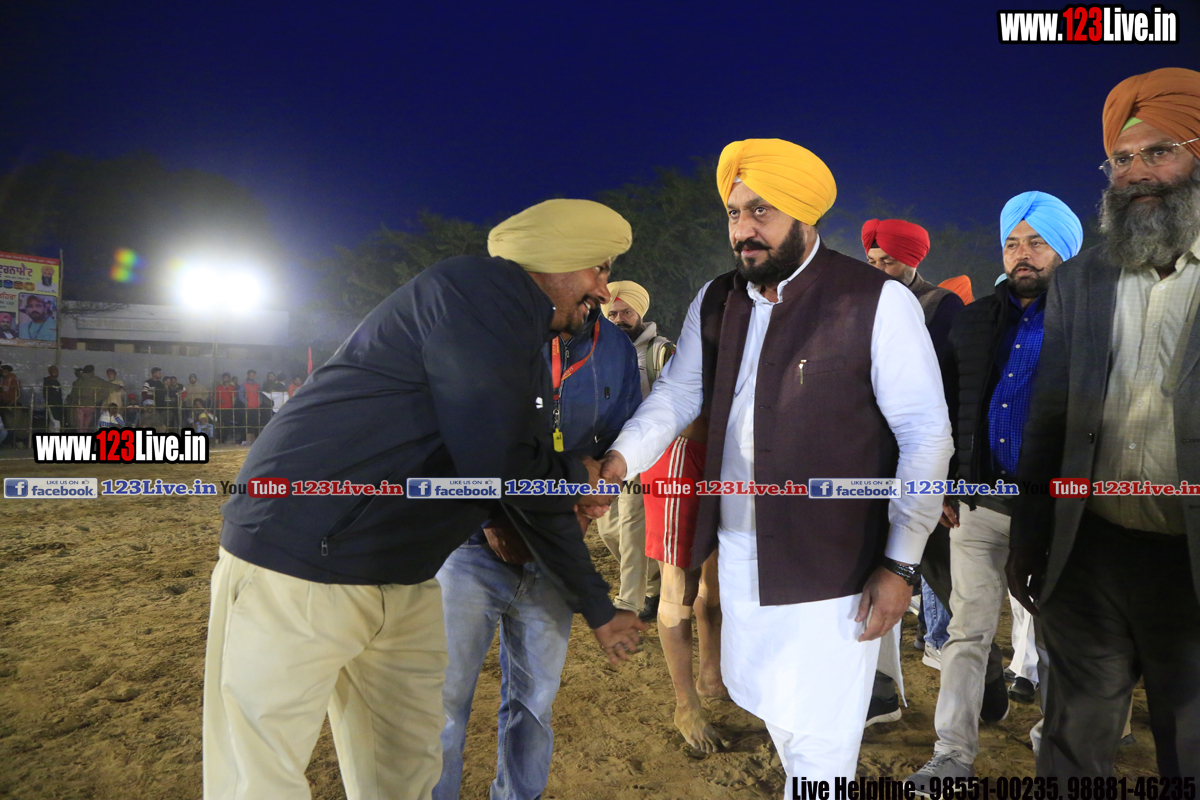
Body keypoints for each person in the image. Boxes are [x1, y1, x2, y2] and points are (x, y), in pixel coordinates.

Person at [204, 198, 646, 800]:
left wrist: (594, 598)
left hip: (403, 573)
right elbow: (497, 460)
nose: (602, 288)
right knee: (259, 780)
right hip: (298, 557)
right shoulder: (476, 291)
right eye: (598, 267)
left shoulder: (518, 332)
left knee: (406, 772)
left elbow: (513, 474)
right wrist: (572, 479)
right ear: (556, 258)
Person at [599, 138, 952, 784]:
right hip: (738, 557)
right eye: (735, 213)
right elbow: (678, 393)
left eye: (761, 211)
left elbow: (926, 435)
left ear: (804, 214)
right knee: (782, 718)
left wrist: (902, 562)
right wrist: (620, 460)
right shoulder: (717, 299)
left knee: (821, 744)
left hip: (834, 571)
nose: (743, 230)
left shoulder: (875, 300)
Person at [1010, 67, 1200, 779]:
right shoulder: (1082, 278)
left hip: (1191, 561)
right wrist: (1029, 537)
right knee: (1071, 750)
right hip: (1088, 550)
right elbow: (1051, 417)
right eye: (1121, 158)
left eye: (1160, 152)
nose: (1137, 173)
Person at [904, 191, 1083, 789]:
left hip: (1056, 512)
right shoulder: (975, 318)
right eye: (1012, 243)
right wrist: (944, 484)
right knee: (967, 632)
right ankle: (952, 754)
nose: (1022, 254)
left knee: (1060, 635)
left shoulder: (1089, 320)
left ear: (1065, 251)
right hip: (977, 507)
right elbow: (946, 405)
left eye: (1037, 243)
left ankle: (1057, 745)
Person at [434, 298, 640, 800]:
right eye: (590, 268)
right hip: (469, 545)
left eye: (605, 268)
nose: (602, 286)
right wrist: (491, 516)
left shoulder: (615, 349)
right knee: (441, 702)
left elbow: (617, 440)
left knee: (534, 703)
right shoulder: (490, 328)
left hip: (558, 547)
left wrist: (588, 503)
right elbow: (457, 427)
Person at [861, 218, 966, 726]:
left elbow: (953, 395)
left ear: (913, 260)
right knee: (873, 576)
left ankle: (986, 674)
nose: (879, 269)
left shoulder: (942, 307)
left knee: (945, 584)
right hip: (870, 466)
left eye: (889, 261)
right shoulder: (861, 304)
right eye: (873, 261)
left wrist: (945, 481)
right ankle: (880, 692)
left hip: (927, 465)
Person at [597, 280, 671, 620]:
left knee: (630, 524)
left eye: (626, 312)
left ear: (640, 311)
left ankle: (630, 601)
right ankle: (656, 586)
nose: (619, 319)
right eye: (612, 314)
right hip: (605, 450)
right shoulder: (599, 351)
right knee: (607, 528)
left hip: (643, 452)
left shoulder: (661, 352)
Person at [68, 365, 120, 434]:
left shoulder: (79, 380)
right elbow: (107, 384)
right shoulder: (95, 380)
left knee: (80, 427)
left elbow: (74, 393)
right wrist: (119, 387)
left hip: (80, 406)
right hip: (90, 406)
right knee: (85, 427)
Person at [238, 369, 261, 443]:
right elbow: (240, 395)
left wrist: (259, 402)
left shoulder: (257, 385)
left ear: (255, 376)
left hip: (256, 407)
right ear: (248, 376)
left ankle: (258, 440)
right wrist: (246, 402)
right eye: (250, 375)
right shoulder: (244, 385)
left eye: (253, 375)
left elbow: (260, 394)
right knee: (245, 423)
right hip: (247, 408)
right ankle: (243, 440)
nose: (252, 376)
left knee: (257, 423)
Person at [215, 374, 235, 443]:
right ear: (222, 379)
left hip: (229, 407)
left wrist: (227, 387)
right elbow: (216, 397)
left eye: (227, 378)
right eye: (224, 378)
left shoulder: (232, 387)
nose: (225, 379)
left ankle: (225, 439)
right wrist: (219, 400)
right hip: (220, 408)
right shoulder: (218, 387)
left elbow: (233, 395)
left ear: (229, 379)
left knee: (227, 424)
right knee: (220, 423)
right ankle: (219, 439)